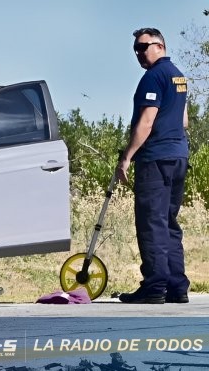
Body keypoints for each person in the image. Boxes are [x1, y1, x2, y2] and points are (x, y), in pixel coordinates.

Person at [116, 27, 190, 304]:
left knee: (152, 222)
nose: (138, 53)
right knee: (169, 222)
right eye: (135, 49)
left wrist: (127, 157)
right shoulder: (178, 76)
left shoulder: (153, 77)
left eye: (143, 47)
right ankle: (176, 286)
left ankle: (155, 286)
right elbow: (184, 120)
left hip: (156, 158)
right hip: (178, 156)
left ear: (159, 45)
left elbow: (146, 121)